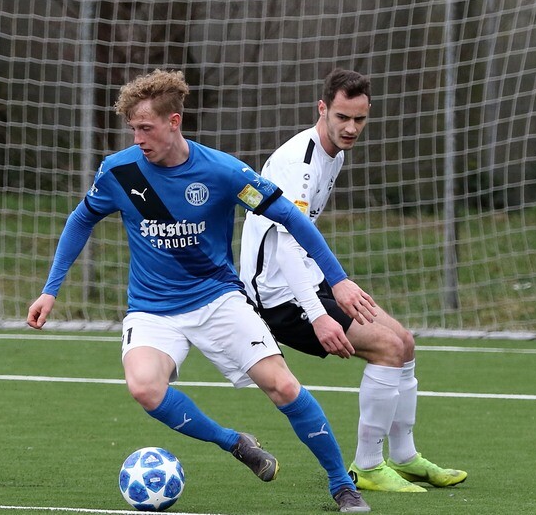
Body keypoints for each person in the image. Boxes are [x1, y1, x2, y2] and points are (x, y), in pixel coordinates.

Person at [28, 69, 377, 512]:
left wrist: (338, 279)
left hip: (217, 299)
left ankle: (341, 484)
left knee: (283, 387)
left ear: (174, 121)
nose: (138, 139)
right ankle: (234, 442)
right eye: (133, 129)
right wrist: (51, 290)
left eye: (146, 128)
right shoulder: (120, 171)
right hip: (152, 309)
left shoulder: (223, 171)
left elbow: (290, 217)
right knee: (144, 388)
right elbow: (81, 219)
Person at [239, 68, 467, 493]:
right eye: (342, 117)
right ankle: (368, 466)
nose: (351, 128)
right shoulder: (297, 164)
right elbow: (285, 248)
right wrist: (319, 315)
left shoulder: (335, 154)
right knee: (386, 348)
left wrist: (332, 281)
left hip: (308, 279)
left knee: (405, 341)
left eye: (359, 119)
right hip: (276, 296)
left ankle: (404, 457)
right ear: (322, 109)